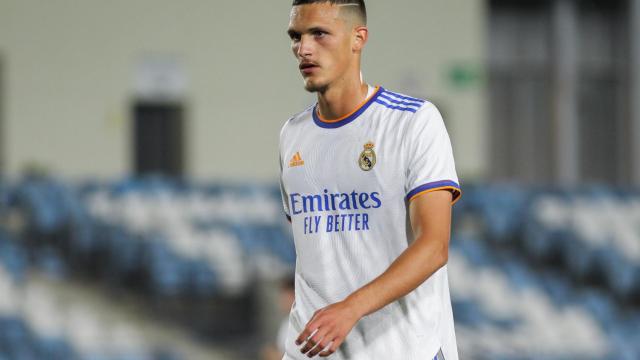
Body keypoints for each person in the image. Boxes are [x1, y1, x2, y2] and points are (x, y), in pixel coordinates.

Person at [278, 1, 462, 359]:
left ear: (357, 38)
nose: (304, 48)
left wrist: (351, 308)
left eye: (319, 33)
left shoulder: (414, 122)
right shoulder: (292, 135)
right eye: (296, 36)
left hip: (403, 349)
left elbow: (434, 246)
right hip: (314, 351)